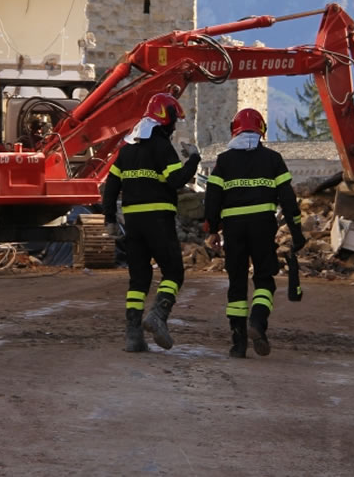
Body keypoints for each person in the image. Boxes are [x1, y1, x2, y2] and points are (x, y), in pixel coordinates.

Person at [203, 108, 306, 358]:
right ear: (262, 131)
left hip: (233, 228)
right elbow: (288, 199)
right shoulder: (273, 159)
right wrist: (297, 231)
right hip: (262, 226)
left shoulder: (224, 161)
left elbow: (212, 199)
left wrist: (212, 230)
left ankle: (238, 344)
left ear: (234, 130)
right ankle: (257, 323)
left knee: (236, 282)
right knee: (263, 279)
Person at [103, 93, 200, 352]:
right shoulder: (160, 147)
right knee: (173, 273)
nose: (174, 127)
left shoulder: (126, 150)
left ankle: (133, 336)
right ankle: (158, 315)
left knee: (138, 280)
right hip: (158, 219)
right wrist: (193, 159)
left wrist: (110, 218)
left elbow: (110, 186)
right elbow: (176, 180)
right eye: (173, 122)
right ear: (164, 119)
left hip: (133, 222)